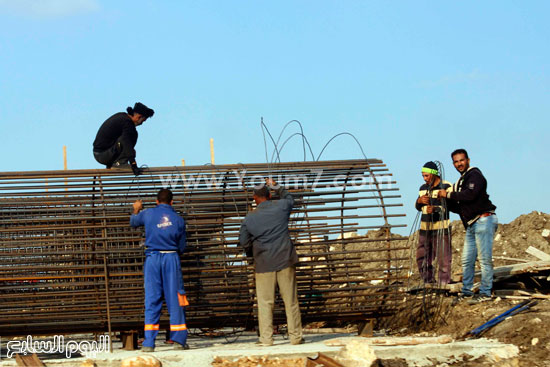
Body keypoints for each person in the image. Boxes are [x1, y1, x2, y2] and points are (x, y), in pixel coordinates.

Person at [239, 179, 304, 346]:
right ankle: (295, 337)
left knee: (265, 303)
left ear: (254, 198)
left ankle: (266, 339)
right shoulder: (281, 207)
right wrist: (277, 186)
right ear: (269, 195)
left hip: (263, 263)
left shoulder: (249, 218)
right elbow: (290, 199)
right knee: (291, 301)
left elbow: (243, 241)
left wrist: (251, 253)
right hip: (285, 260)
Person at [130, 188, 189, 352]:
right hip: (171, 258)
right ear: (172, 202)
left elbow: (133, 222)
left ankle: (148, 342)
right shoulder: (178, 219)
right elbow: (182, 246)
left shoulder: (147, 214)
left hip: (153, 259)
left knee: (152, 299)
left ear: (157, 201)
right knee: (176, 298)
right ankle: (178, 340)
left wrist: (136, 208)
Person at [438, 149, 497, 303]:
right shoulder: (461, 182)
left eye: (461, 160)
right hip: (472, 224)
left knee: (484, 259)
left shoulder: (474, 175)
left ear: (468, 160)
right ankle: (467, 292)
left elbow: (470, 195)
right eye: (456, 162)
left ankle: (485, 293)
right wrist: (443, 202)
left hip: (483, 220)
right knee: (467, 260)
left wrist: (448, 195)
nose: (459, 164)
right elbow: (461, 207)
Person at [415, 161, 454, 285]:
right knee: (422, 257)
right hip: (425, 228)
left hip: (441, 227)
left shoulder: (446, 186)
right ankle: (429, 282)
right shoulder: (422, 188)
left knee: (443, 259)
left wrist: (436, 209)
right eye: (423, 176)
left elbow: (451, 206)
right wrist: (419, 201)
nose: (425, 178)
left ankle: (444, 284)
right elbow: (417, 207)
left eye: (427, 176)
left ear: (434, 174)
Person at [93, 102, 154, 175]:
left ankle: (115, 163)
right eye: (143, 121)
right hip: (102, 155)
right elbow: (126, 142)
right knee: (131, 135)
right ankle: (119, 163)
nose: (141, 124)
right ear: (139, 117)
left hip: (101, 153)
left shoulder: (123, 117)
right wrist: (133, 164)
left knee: (131, 135)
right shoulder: (127, 123)